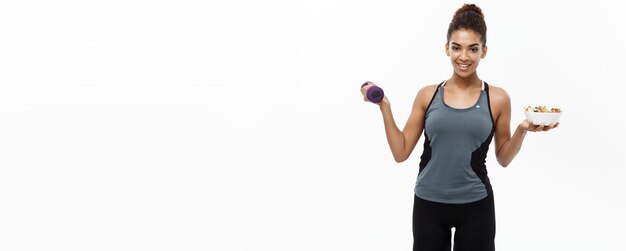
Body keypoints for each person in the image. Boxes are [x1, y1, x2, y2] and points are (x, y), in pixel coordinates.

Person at [361, 4, 559, 251]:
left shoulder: (497, 98)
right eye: (456, 48)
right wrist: (385, 107)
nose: (463, 57)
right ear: (447, 48)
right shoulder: (427, 95)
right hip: (428, 204)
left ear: (484, 51)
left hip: (476, 205)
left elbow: (503, 158)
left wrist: (522, 130)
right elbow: (400, 153)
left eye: (472, 49)